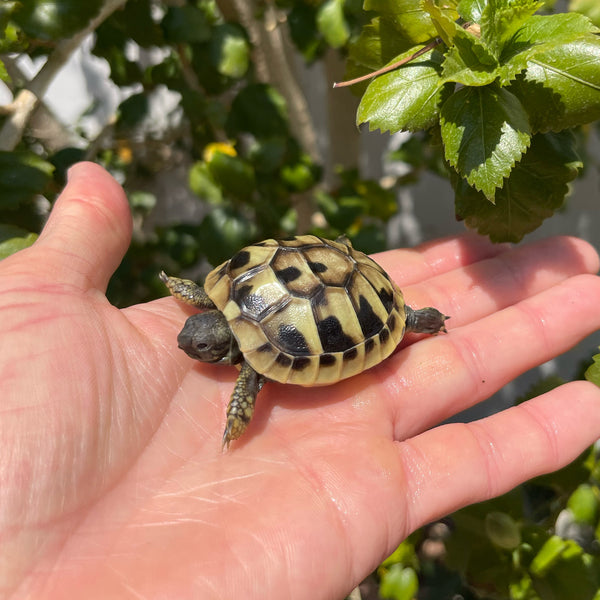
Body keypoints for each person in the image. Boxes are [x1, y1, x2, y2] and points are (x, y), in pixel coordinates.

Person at [1, 161, 599, 599]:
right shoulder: (219, 312)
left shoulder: (248, 362)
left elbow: (250, 380)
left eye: (204, 342)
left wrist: (235, 414)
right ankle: (407, 319)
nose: (194, 344)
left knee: (403, 324)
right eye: (201, 338)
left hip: (339, 287)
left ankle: (411, 321)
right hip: (302, 271)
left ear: (220, 340)